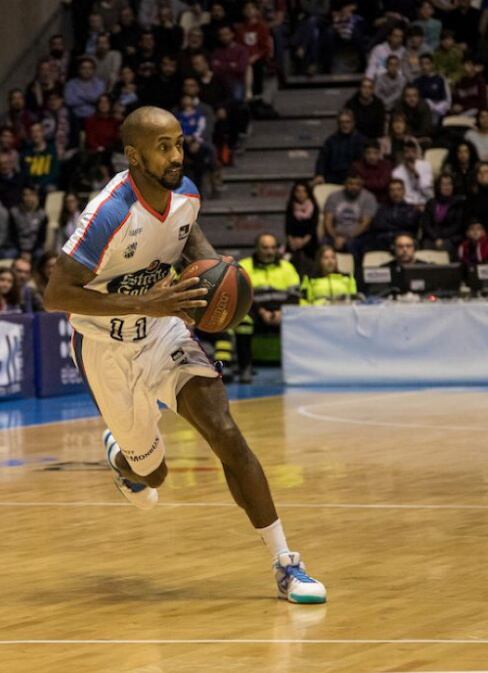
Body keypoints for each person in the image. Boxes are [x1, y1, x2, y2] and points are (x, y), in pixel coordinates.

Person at [43, 106, 325, 603]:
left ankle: (286, 563)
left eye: (178, 143)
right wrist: (145, 301)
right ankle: (124, 458)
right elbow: (55, 294)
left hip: (162, 333)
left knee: (226, 432)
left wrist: (213, 279)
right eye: (163, 147)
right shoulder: (109, 212)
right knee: (153, 477)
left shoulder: (187, 194)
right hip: (104, 348)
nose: (177, 155)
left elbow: (192, 244)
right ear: (134, 156)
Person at [236, 233, 301, 383]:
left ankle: (298, 370)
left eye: (273, 247)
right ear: (257, 248)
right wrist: (261, 311)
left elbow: (295, 294)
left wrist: (282, 312)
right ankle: (245, 367)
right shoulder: (244, 266)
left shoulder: (287, 267)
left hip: (283, 312)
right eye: (265, 248)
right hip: (255, 311)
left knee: (302, 319)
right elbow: (243, 294)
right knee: (243, 323)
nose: (270, 251)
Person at [323, 173, 377, 257]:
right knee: (324, 243)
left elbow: (365, 224)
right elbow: (328, 221)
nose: (354, 187)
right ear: (344, 184)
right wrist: (334, 237)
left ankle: (355, 270)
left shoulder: (369, 198)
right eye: (351, 183)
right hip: (336, 234)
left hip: (358, 235)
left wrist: (346, 238)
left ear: (362, 185)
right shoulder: (333, 197)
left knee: (352, 244)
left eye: (357, 184)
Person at [314, 110, 365, 185]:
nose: (344, 125)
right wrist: (319, 174)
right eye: (342, 122)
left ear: (353, 123)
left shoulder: (361, 140)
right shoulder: (331, 141)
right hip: (332, 178)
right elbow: (322, 159)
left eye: (348, 122)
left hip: (353, 179)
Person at [368, 178, 421, 250]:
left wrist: (389, 223)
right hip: (383, 241)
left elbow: (410, 225)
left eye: (399, 189)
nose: (395, 193)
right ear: (389, 192)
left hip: (404, 241)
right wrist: (399, 225)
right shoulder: (382, 208)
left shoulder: (412, 209)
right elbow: (377, 225)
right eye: (392, 190)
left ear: (404, 191)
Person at [421, 173, 465, 256]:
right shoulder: (431, 203)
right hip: (432, 237)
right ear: (438, 186)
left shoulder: (459, 203)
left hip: (451, 237)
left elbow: (457, 225)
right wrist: (436, 237)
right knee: (426, 246)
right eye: (443, 184)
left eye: (449, 184)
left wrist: (441, 237)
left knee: (445, 247)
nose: (447, 187)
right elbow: (426, 224)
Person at [284, 180, 319, 274]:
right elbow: (288, 227)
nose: (301, 194)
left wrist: (303, 241)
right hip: (293, 241)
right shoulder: (291, 206)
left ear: (308, 193)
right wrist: (291, 241)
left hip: (310, 240)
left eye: (304, 191)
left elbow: (313, 227)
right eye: (298, 191)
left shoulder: (314, 206)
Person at [391, 139, 433, 208]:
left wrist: (417, 175)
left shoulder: (426, 166)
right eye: (407, 152)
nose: (410, 155)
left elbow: (429, 194)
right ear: (402, 154)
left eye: (413, 152)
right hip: (406, 207)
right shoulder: (396, 173)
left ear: (416, 153)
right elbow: (398, 196)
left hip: (425, 204)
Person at [10, 186, 48, 261]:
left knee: (40, 254)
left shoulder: (43, 215)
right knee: (8, 254)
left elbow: (41, 239)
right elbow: (12, 236)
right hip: (18, 247)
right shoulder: (14, 213)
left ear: (36, 197)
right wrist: (22, 251)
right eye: (26, 195)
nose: (28, 198)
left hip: (34, 248)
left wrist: (30, 252)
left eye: (32, 195)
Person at [64, 57, 106, 121]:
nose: (87, 71)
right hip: (76, 117)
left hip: (96, 117)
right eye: (84, 68)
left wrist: (80, 96)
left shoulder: (100, 83)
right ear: (79, 70)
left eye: (90, 68)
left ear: (94, 70)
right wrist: (90, 100)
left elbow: (99, 100)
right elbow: (69, 101)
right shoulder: (71, 84)